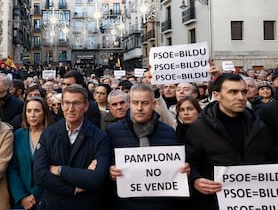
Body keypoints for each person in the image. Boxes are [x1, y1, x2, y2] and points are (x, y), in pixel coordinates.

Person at [185, 73, 277, 210]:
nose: (241, 97)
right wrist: (195, 180)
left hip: (258, 202)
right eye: (233, 92)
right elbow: (190, 162)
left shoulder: (260, 125)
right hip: (215, 202)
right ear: (217, 95)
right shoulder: (198, 129)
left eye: (244, 92)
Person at [107, 84, 189, 209]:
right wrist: (110, 170)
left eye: (145, 103)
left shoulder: (169, 132)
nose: (139, 108)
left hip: (162, 204)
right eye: (135, 103)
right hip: (126, 204)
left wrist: (183, 171)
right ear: (130, 103)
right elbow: (104, 164)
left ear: (154, 104)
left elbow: (174, 166)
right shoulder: (112, 132)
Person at [33, 84, 111, 209]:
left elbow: (96, 178)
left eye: (76, 103)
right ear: (62, 105)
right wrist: (73, 188)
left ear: (85, 106)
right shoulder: (49, 133)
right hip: (53, 205)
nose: (70, 108)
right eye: (67, 103)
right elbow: (39, 174)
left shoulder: (100, 137)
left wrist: (59, 170)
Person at [8, 96, 53, 209]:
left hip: (45, 198)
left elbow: (51, 169)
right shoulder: (18, 135)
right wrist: (21, 196)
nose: (32, 114)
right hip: (20, 200)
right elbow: (12, 168)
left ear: (44, 113)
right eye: (29, 111)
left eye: (37, 110)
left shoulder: (53, 136)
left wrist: (34, 194)